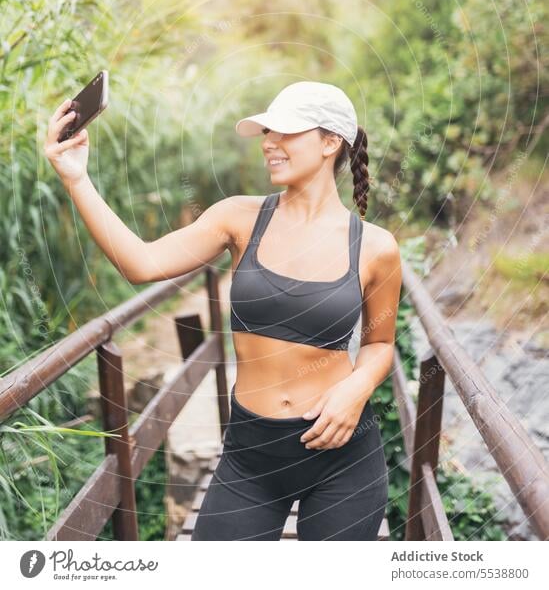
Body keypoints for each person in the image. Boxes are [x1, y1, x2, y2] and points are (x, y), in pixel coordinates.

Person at [44, 80, 401, 541]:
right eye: (267, 133)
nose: (269, 143)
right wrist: (76, 177)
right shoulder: (238, 218)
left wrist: (358, 388)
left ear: (331, 141)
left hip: (343, 458)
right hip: (251, 457)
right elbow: (142, 263)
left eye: (285, 132)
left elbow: (379, 343)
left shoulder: (376, 247)